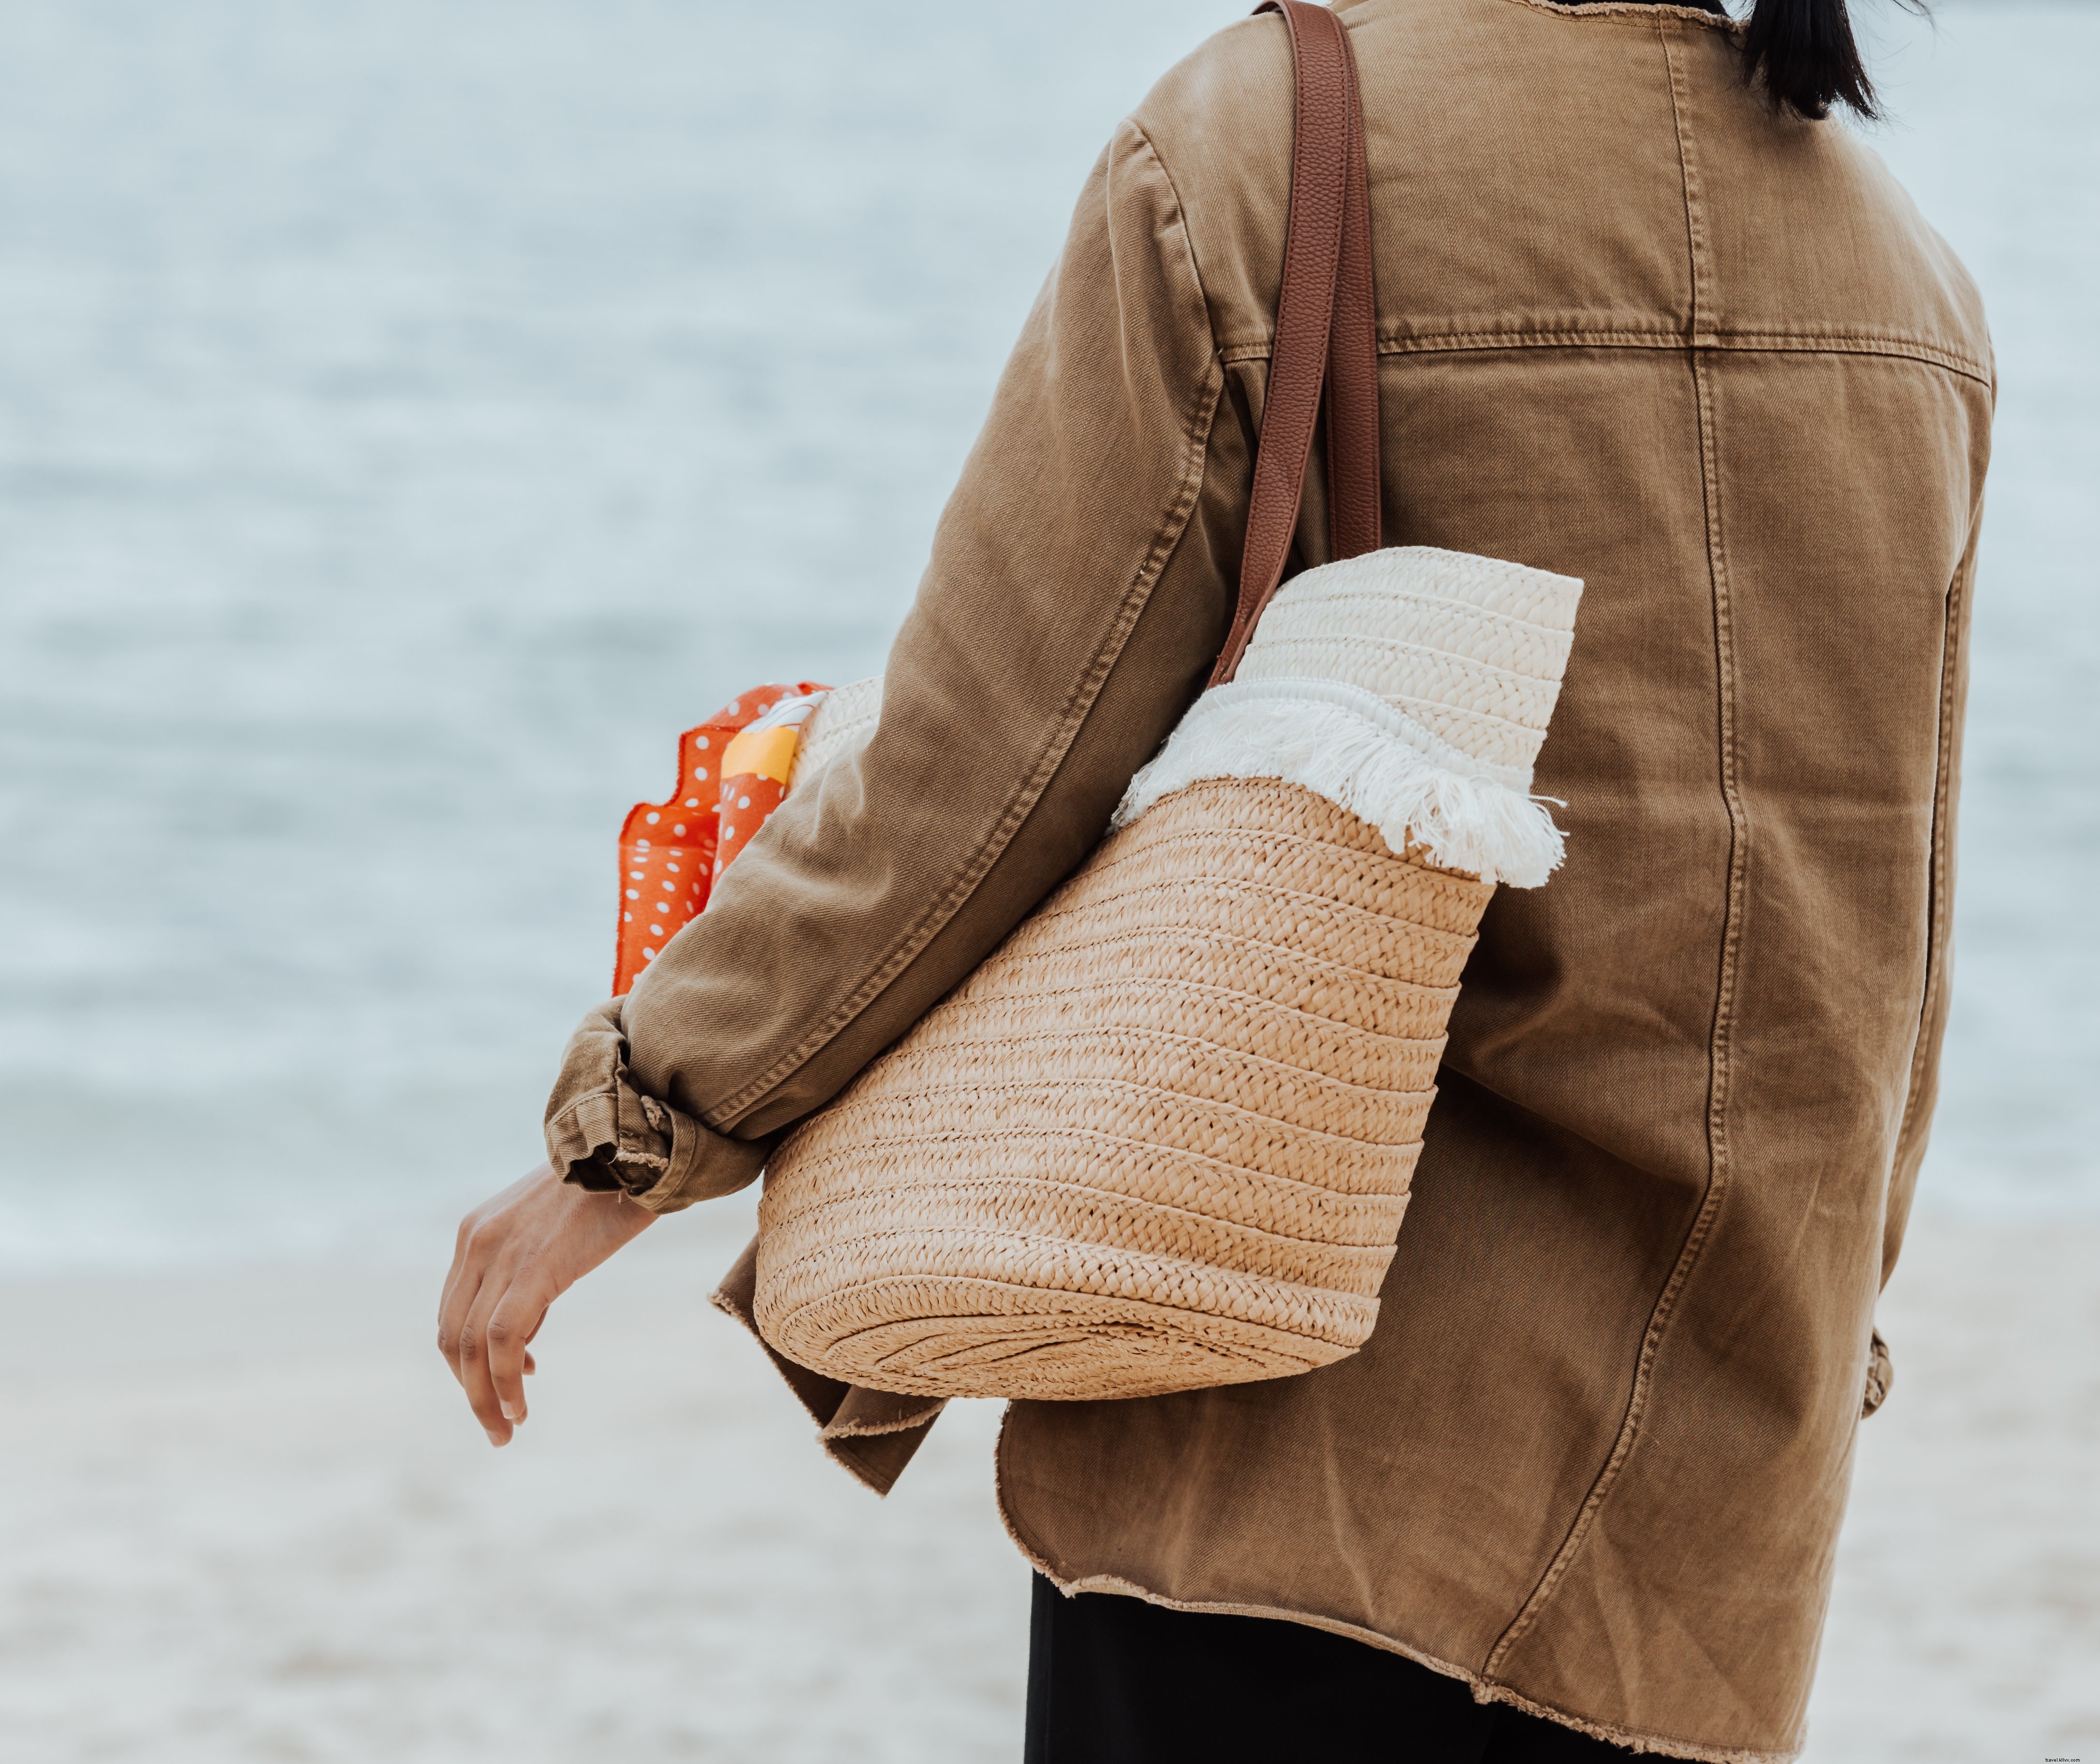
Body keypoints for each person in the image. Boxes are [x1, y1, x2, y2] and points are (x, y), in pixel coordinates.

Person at [437, 0, 1991, 1756]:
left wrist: (635, 1132)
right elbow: (1886, 944)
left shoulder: (1259, 146)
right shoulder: (1900, 280)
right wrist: (1804, 1361)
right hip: (1701, 1526)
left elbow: (986, 768)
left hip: (1290, 1454)